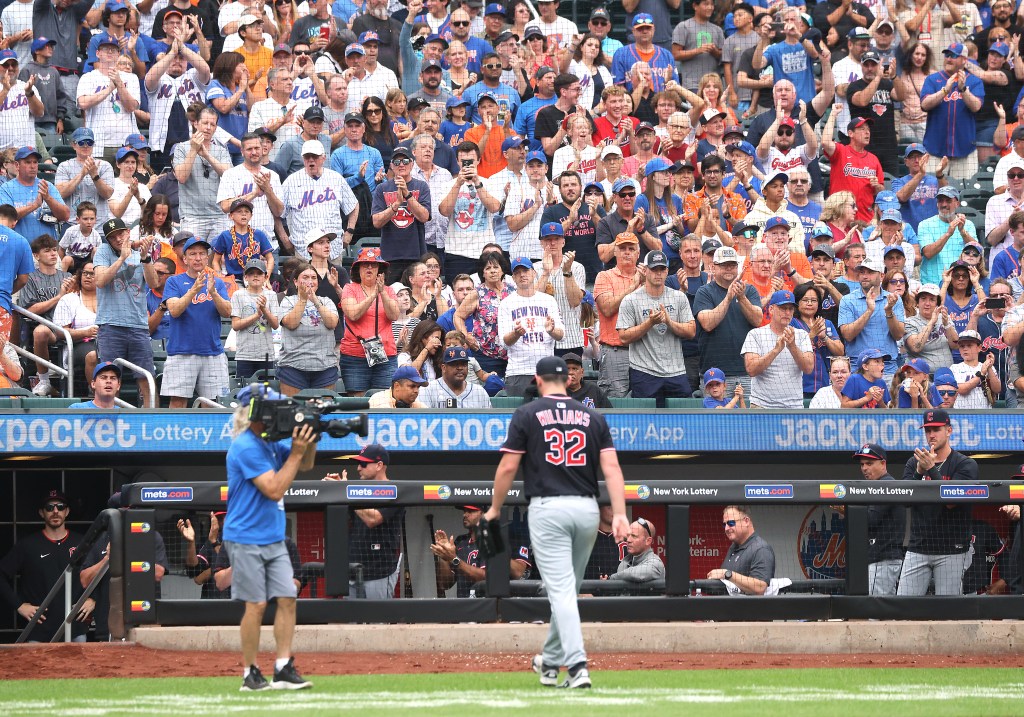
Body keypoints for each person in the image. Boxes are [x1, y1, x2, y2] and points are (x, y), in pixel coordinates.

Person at [483, 355, 629, 689]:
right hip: (588, 510)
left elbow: (507, 468)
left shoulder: (527, 413)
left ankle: (577, 665)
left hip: (549, 509)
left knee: (561, 591)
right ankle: (549, 663)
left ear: (538, 378)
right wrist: (619, 512)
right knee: (568, 590)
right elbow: (612, 469)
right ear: (566, 380)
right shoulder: (593, 416)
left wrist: (493, 509)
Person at [223, 383, 315, 691]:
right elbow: (275, 488)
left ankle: (283, 667)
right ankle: (250, 672)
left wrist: (309, 434)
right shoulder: (245, 445)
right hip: (245, 536)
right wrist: (297, 452)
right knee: (257, 604)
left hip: (273, 536)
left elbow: (307, 463)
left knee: (288, 598)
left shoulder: (272, 440)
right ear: (255, 413)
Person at [897, 409, 979, 596]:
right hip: (918, 547)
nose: (931, 435)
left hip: (952, 549)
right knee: (903, 607)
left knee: (948, 611)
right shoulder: (914, 463)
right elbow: (904, 501)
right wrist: (918, 472)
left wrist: (931, 470)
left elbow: (951, 501)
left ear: (949, 430)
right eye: (927, 430)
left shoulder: (964, 464)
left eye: (936, 429)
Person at [0, 489, 93, 642]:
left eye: (60, 507)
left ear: (67, 511)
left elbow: (101, 572)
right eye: (49, 508)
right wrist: (19, 605)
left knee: (77, 667)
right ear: (42, 513)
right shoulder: (28, 545)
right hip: (39, 632)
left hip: (75, 630)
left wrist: (93, 600)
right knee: (37, 667)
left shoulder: (82, 543)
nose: (55, 511)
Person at [93, 218, 160, 407]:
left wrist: (146, 257)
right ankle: (109, 419)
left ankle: (151, 420)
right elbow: (100, 281)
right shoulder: (103, 252)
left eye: (121, 233)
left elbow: (154, 284)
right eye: (113, 237)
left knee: (146, 377)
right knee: (109, 378)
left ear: (128, 232)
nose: (118, 238)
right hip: (111, 325)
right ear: (108, 239)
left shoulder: (141, 252)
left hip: (138, 325)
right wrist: (122, 257)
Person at [616, 249, 696, 406]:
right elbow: (623, 337)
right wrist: (649, 323)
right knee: (645, 422)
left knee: (685, 420)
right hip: (644, 372)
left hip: (675, 370)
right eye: (654, 269)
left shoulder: (678, 297)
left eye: (662, 269)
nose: (658, 273)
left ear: (667, 271)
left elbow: (691, 331)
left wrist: (669, 322)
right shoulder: (631, 300)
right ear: (645, 271)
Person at [334, 443, 405, 599]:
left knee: (377, 621)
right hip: (353, 569)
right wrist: (338, 491)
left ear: (379, 465)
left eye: (364, 463)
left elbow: (373, 519)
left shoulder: (395, 489)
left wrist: (346, 492)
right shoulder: (357, 491)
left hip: (379, 572)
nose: (359, 468)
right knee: (350, 623)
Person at [694, 246, 763, 395]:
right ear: (713, 267)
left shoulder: (749, 290)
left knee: (748, 417)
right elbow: (707, 324)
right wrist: (728, 297)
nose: (729, 269)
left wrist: (741, 297)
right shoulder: (704, 292)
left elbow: (758, 320)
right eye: (724, 265)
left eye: (732, 265)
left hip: (746, 371)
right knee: (716, 417)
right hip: (715, 373)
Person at [430, 503, 531, 597]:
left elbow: (487, 578)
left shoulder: (508, 538)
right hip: (464, 608)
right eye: (464, 511)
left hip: (492, 606)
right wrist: (444, 555)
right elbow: (445, 584)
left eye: (470, 511)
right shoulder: (460, 542)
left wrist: (455, 559)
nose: (465, 515)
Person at [281, 139, 359, 260]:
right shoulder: (291, 182)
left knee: (334, 279)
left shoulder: (335, 179)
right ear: (303, 159)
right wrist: (285, 240)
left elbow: (353, 205)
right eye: (307, 157)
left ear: (323, 158)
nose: (311, 160)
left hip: (333, 250)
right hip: (303, 251)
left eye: (315, 156)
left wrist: (349, 231)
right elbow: (278, 213)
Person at [498, 257, 564, 396]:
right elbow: (504, 343)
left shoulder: (548, 300)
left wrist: (551, 331)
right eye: (517, 272)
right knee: (519, 416)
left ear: (534, 273)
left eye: (526, 271)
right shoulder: (506, 303)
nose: (522, 275)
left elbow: (561, 336)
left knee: (548, 416)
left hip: (547, 371)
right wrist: (516, 334)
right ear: (513, 278)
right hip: (518, 372)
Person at [741, 289, 814, 408]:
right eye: (783, 308)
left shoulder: (802, 335)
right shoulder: (755, 334)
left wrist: (792, 346)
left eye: (790, 309)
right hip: (762, 405)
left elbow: (808, 368)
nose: (787, 312)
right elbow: (751, 369)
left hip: (793, 406)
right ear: (771, 309)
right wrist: (775, 351)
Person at [920, 43, 984, 181]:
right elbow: (925, 104)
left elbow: (976, 106)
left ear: (964, 60)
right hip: (934, 150)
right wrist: (945, 90)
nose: (949, 59)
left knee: (960, 195)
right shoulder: (932, 79)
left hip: (964, 152)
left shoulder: (974, 81)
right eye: (947, 55)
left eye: (954, 56)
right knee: (933, 192)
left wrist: (963, 90)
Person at [277, 261, 340, 395]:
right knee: (293, 412)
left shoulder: (327, 301)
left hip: (325, 367)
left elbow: (332, 323)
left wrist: (316, 301)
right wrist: (303, 300)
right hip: (293, 367)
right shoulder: (288, 301)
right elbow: (291, 324)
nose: (310, 281)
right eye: (305, 277)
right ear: (295, 282)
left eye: (313, 278)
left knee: (324, 412)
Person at [851, 444, 906, 596]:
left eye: (869, 463)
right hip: (880, 559)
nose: (864, 468)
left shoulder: (886, 484)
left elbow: (871, 520)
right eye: (862, 464)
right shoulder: (875, 486)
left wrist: (847, 511)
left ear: (883, 463)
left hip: (884, 559)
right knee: (881, 611)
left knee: (875, 612)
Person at [371, 145, 432, 283]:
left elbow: (424, 217)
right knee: (392, 297)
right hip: (390, 256)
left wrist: (407, 195)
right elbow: (376, 222)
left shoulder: (422, 186)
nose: (401, 165)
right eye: (397, 162)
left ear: (412, 164)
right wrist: (396, 204)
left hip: (416, 254)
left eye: (405, 161)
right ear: (391, 165)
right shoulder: (382, 189)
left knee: (416, 295)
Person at [838, 255, 905, 377]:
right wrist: (869, 311)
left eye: (870, 272)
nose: (864, 276)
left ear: (882, 276)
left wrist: (889, 311)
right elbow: (847, 335)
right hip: (857, 369)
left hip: (887, 368)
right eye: (862, 272)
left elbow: (898, 334)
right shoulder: (848, 300)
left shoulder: (893, 299)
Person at [707, 505, 775, 596]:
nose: (726, 528)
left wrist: (727, 574)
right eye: (724, 524)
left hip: (751, 609)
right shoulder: (733, 547)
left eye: (731, 523)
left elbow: (760, 587)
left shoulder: (761, 548)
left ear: (746, 521)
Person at [230, 258, 280, 380]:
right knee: (245, 393)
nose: (255, 276)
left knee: (265, 393)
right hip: (244, 354)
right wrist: (256, 315)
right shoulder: (238, 295)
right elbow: (235, 325)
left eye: (259, 274)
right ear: (245, 277)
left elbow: (275, 324)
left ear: (265, 277)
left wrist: (264, 310)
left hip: (266, 354)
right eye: (251, 273)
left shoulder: (271, 295)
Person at [950, 329, 1001, 408]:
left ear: (979, 347)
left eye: (969, 345)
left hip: (983, 413)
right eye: (962, 346)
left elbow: (997, 389)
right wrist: (981, 374)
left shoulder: (986, 367)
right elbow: (962, 390)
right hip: (961, 413)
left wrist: (989, 368)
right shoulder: (955, 368)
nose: (965, 349)